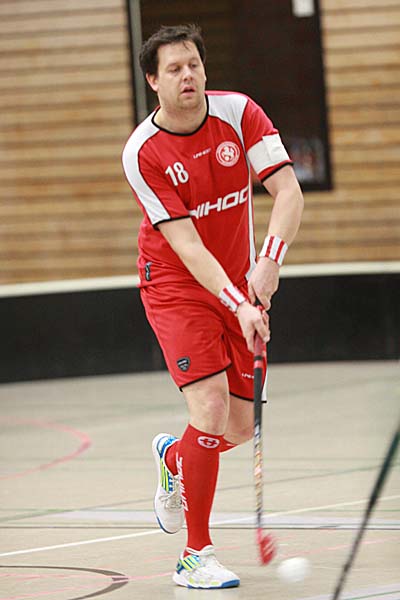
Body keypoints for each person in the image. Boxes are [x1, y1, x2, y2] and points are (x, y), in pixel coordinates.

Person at [122, 24, 304, 589]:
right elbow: (187, 246)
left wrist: (268, 262)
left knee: (240, 426)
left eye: (194, 65)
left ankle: (175, 459)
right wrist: (240, 304)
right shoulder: (142, 153)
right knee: (210, 406)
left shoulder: (240, 113)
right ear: (153, 81)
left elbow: (288, 192)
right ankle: (194, 555)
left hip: (238, 279)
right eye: (174, 69)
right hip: (176, 285)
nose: (188, 77)